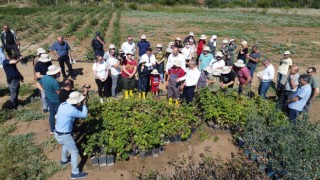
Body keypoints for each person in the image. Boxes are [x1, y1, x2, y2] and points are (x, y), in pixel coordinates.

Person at [54, 91, 88, 179]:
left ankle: (64, 160)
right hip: (65, 135)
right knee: (74, 152)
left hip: (57, 132)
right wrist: (84, 104)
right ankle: (75, 173)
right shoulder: (72, 110)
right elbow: (84, 115)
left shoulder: (63, 104)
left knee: (66, 145)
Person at [39, 65, 61, 134]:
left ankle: (52, 129)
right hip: (56, 100)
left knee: (52, 114)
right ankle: (59, 129)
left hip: (48, 98)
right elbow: (59, 93)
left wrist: (43, 90)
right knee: (59, 114)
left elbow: (38, 84)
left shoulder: (44, 77)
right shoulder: (54, 82)